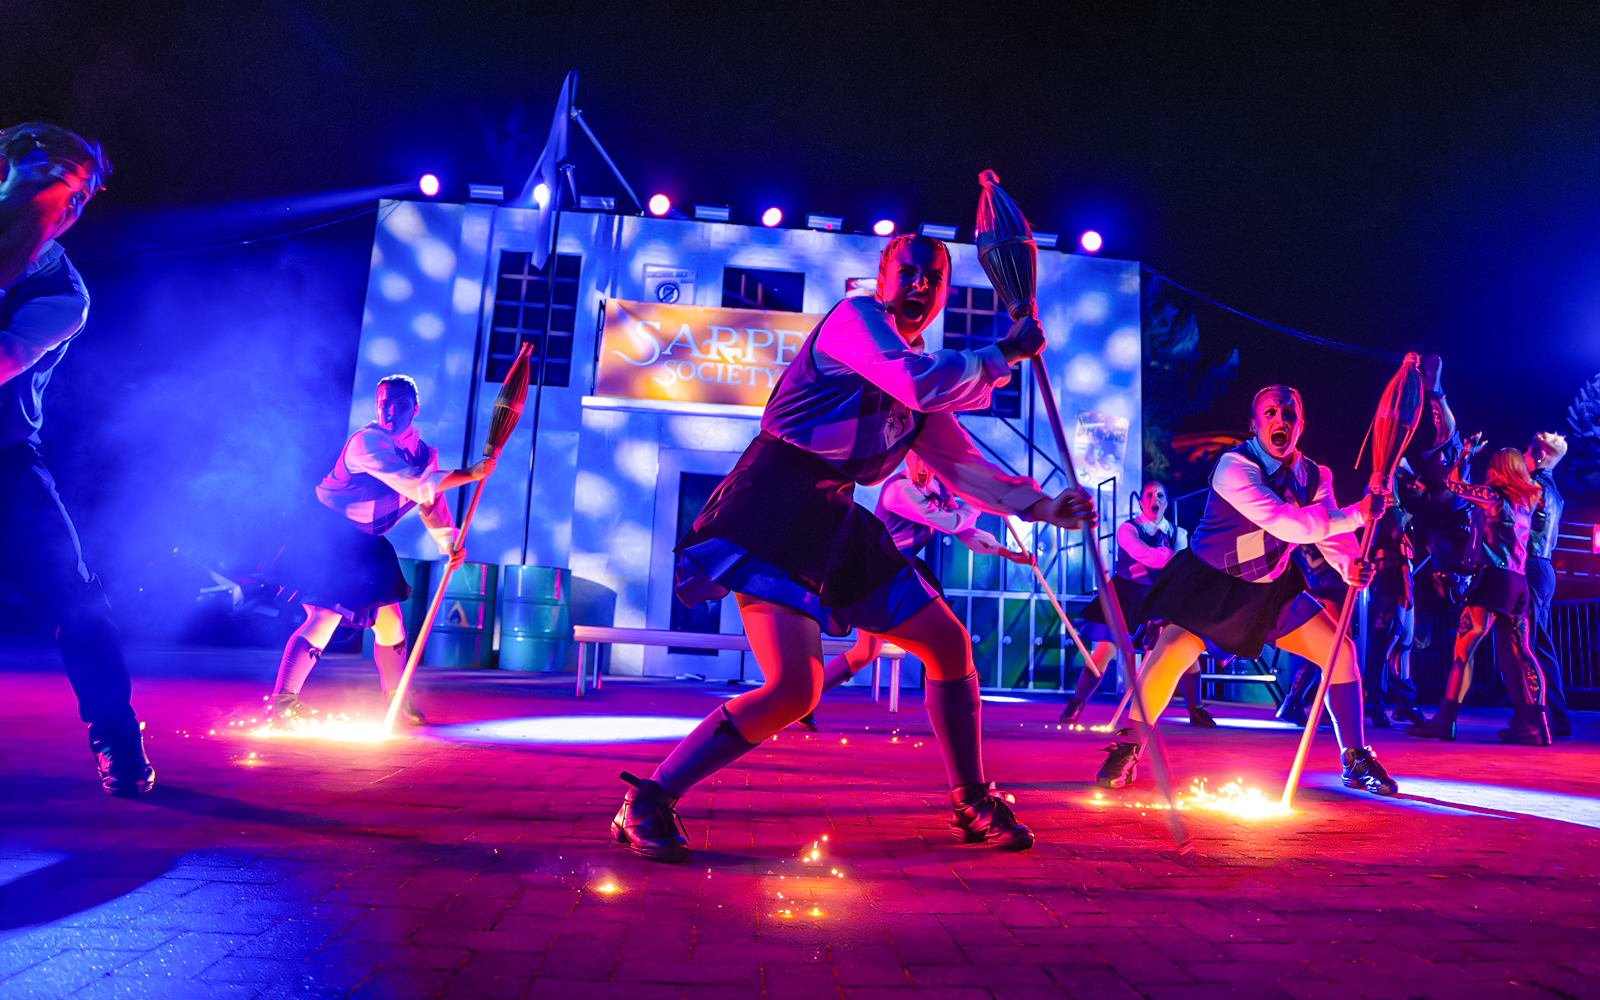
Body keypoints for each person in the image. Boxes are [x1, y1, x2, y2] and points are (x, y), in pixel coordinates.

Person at [611, 233, 1093, 860]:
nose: (919, 284)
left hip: (836, 516)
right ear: (882, 278)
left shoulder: (923, 385)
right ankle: (649, 798)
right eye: (908, 271)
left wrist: (1043, 507)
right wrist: (1003, 354)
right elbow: (915, 382)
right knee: (794, 689)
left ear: (945, 293)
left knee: (948, 642)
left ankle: (972, 800)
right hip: (774, 506)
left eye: (933, 277)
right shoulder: (854, 319)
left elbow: (964, 468)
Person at [1094, 385, 1399, 796]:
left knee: (1339, 652)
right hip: (1211, 585)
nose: (1280, 420)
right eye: (1270, 413)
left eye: (1289, 413)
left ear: (1301, 425)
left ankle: (1356, 757)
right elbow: (1286, 522)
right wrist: (1359, 514)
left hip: (1271, 589)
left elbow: (1328, 530)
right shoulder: (1234, 466)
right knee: (1170, 653)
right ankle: (1128, 746)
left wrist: (1348, 565)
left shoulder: (1316, 476)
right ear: (1254, 425)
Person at [0, 123, 145, 795]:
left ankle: (116, 732)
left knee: (75, 596)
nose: (67, 202)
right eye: (54, 177)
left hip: (6, 459)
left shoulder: (62, 295)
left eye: (81, 197)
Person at [265, 375, 493, 723]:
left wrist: (449, 543)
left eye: (400, 405)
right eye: (384, 404)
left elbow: (430, 502)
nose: (390, 411)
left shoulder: (424, 454)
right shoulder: (366, 442)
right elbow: (415, 485)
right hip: (330, 536)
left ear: (415, 409)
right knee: (324, 616)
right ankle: (283, 704)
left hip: (366, 543)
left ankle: (396, 702)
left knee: (391, 624)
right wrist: (470, 473)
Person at [792, 449, 1030, 731]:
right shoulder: (899, 491)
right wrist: (979, 502)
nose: (922, 467)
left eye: (927, 461)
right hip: (877, 571)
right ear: (907, 460)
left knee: (864, 653)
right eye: (916, 459)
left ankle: (801, 703)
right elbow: (950, 522)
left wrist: (1007, 552)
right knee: (938, 639)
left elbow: (964, 531)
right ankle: (800, 701)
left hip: (895, 571)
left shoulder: (938, 491)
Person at [1406, 445, 1550, 745]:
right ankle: (1536, 725)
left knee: (1464, 651)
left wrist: (1464, 455)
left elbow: (1453, 485)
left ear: (1498, 468)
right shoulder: (1529, 501)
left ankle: (1445, 720)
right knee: (1523, 653)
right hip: (1518, 581)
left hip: (1494, 577)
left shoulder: (1494, 497)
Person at [1060, 481, 1210, 727]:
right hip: (1126, 596)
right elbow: (1148, 556)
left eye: (1160, 495)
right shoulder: (1128, 529)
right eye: (1149, 495)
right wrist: (1171, 556)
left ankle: (1197, 709)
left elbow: (1180, 566)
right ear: (1141, 502)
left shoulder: (1179, 533)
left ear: (1166, 502)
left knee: (1185, 651)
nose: (1155, 500)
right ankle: (1077, 703)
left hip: (1161, 597)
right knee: (1105, 651)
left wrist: (1175, 561)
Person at [1494, 433, 1570, 737]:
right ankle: (1553, 717)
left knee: (1523, 643)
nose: (1523, 455)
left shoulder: (1534, 486)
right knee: (1539, 644)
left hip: (1530, 566)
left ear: (1539, 456)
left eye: (1527, 450)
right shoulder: (1554, 491)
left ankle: (1535, 718)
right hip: (1544, 566)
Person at [1362, 461, 1428, 729]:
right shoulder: (1386, 513)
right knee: (1391, 642)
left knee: (1401, 644)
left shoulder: (1396, 511)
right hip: (1392, 583)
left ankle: (1400, 703)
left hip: (1399, 583)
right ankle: (1382, 703)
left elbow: (1418, 486)